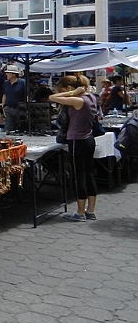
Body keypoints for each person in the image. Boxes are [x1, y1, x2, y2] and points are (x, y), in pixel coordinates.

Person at [49, 74, 98, 222]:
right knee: (89, 174)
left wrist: (71, 93)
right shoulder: (92, 98)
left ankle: (80, 212)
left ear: (70, 88)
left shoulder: (78, 100)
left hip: (77, 140)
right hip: (89, 139)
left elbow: (52, 98)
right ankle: (90, 210)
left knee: (78, 177)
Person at [1, 64, 26, 132]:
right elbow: (5, 94)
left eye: (8, 73)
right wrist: (3, 105)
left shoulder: (22, 83)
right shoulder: (6, 83)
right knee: (8, 128)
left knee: (20, 128)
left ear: (14, 74)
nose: (6, 74)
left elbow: (27, 95)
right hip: (8, 108)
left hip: (19, 109)